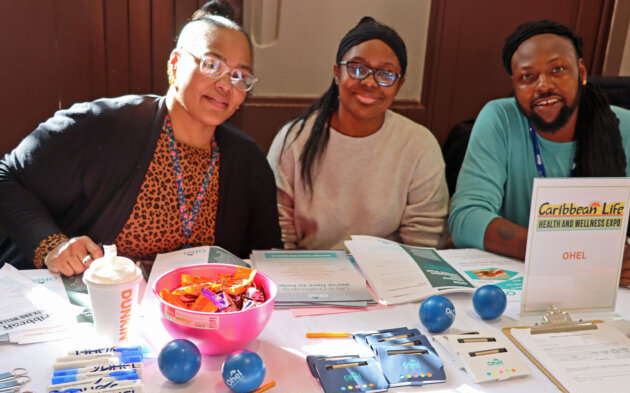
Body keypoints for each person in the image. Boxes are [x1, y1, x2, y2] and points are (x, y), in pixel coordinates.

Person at [0, 0, 281, 276]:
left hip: (195, 312)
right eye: (211, 65)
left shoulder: (248, 161)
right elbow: (6, 176)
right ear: (175, 63)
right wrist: (52, 244)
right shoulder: (104, 124)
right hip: (97, 305)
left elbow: (268, 256)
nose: (224, 85)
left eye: (239, 76)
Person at [448, 19, 630, 284]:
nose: (543, 85)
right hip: (520, 278)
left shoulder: (627, 128)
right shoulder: (499, 119)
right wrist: (568, 255)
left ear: (581, 71)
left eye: (557, 69)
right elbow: (467, 216)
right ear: (514, 84)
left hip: (605, 284)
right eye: (527, 76)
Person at [267, 17, 448, 250]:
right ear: (337, 73)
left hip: (391, 275)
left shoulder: (419, 145)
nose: (370, 82)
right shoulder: (294, 139)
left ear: (399, 85)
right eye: (358, 69)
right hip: (307, 274)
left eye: (385, 74)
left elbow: (423, 244)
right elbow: (278, 235)